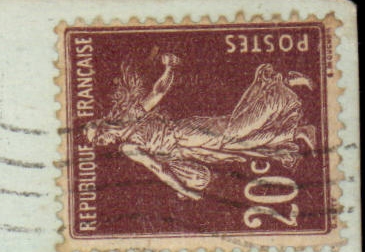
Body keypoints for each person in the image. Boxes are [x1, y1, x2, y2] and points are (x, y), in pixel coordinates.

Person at [83, 52, 317, 201]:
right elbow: (160, 167)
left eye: (98, 138)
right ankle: (298, 131)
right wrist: (186, 188)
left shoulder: (130, 124)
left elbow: (158, 93)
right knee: (241, 142)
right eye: (98, 143)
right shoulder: (127, 144)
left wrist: (169, 69)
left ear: (105, 127)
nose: (102, 143)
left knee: (235, 131)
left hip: (184, 132)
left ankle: (280, 83)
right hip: (188, 148)